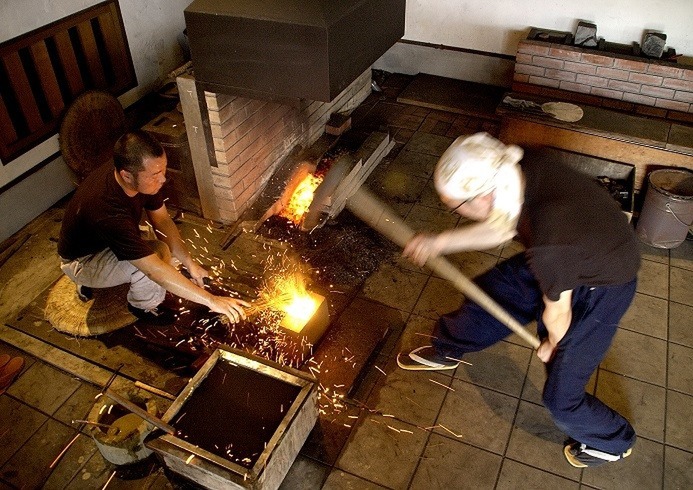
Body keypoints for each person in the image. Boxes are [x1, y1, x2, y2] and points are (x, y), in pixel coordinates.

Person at [397, 132, 640, 468]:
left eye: (454, 207)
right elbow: (501, 227)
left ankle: (613, 441)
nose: (454, 212)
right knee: (493, 294)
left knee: (561, 395)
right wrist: (438, 243)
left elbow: (558, 314)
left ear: (483, 196)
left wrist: (553, 344)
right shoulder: (517, 167)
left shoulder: (550, 238)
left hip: (604, 283)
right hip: (573, 254)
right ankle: (449, 346)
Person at [58, 130, 248, 325]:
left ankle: (125, 276)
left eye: (163, 170)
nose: (163, 179)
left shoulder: (138, 173)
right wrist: (211, 300)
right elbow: (153, 271)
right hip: (83, 260)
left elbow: (162, 220)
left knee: (163, 253)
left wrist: (190, 264)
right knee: (156, 257)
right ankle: (142, 306)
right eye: (156, 175)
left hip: (105, 240)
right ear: (127, 176)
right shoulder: (107, 210)